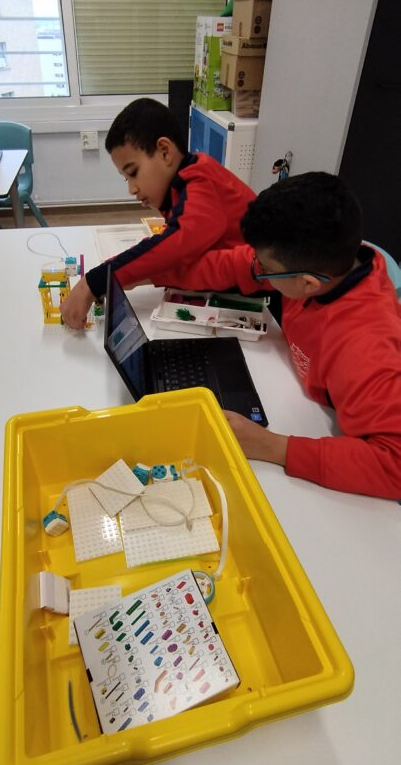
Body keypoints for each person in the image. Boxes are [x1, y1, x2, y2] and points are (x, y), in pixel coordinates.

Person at [146, 171, 401, 501]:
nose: (257, 271)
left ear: (307, 284)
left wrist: (274, 447)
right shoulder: (325, 263)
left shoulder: (366, 349)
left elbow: (394, 464)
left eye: (265, 268)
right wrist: (144, 274)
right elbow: (233, 264)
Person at [59, 97, 256, 329]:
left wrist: (94, 282)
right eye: (126, 178)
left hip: (270, 296)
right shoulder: (182, 185)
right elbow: (181, 252)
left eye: (133, 172)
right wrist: (133, 272)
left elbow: (176, 246)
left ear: (164, 151)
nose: (132, 189)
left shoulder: (201, 181)